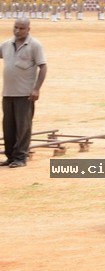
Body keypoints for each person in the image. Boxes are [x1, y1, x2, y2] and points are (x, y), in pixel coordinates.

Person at [2, 18, 47, 167]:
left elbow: (43, 67)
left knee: (23, 126)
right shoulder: (6, 45)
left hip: (25, 95)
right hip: (8, 93)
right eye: (16, 27)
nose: (17, 31)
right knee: (8, 127)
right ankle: (10, 157)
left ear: (28, 29)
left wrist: (36, 89)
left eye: (22, 28)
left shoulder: (34, 45)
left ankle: (20, 158)